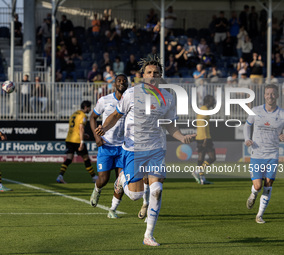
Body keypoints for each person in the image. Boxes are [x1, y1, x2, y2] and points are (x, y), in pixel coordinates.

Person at [95, 57, 195, 246]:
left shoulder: (168, 97)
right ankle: (122, 178)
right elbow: (116, 114)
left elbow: (170, 125)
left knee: (156, 190)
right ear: (143, 75)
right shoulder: (131, 94)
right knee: (135, 196)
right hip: (133, 148)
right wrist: (104, 128)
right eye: (149, 72)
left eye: (156, 73)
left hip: (156, 149)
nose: (152, 76)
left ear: (160, 76)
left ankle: (148, 235)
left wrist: (182, 138)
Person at [89, 74, 128, 218]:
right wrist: (96, 136)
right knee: (103, 179)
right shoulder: (105, 100)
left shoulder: (131, 102)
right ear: (114, 84)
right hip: (106, 146)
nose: (122, 83)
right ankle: (97, 189)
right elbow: (92, 117)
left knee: (121, 181)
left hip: (123, 147)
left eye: (124, 81)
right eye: (119, 80)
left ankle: (112, 209)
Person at [244, 84, 284, 224]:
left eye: (273, 94)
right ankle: (253, 194)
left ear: (277, 96)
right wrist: (247, 139)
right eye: (267, 94)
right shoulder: (255, 110)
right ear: (264, 95)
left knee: (268, 184)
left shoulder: (282, 114)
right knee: (258, 186)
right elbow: (247, 125)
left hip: (273, 154)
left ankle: (259, 215)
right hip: (257, 154)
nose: (270, 96)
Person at [56, 101, 98, 184]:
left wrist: (84, 134)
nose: (90, 109)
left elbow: (76, 128)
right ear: (85, 107)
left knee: (68, 159)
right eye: (89, 107)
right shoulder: (83, 116)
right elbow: (81, 128)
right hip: (77, 140)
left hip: (69, 139)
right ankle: (94, 177)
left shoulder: (74, 114)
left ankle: (60, 176)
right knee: (86, 159)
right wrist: (82, 142)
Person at [191, 95, 215, 185]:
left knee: (201, 159)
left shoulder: (202, 109)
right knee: (212, 157)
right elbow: (202, 123)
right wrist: (205, 138)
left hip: (200, 137)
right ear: (208, 101)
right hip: (205, 137)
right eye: (212, 100)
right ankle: (198, 171)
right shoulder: (204, 110)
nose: (213, 102)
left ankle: (202, 179)